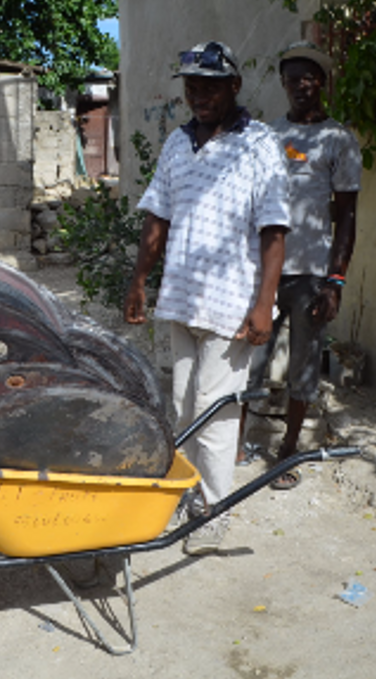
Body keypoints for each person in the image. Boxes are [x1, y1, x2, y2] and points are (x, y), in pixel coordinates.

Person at [124, 40, 291, 555]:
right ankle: (186, 493)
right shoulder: (178, 144)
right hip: (181, 300)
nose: (199, 94)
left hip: (232, 306)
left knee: (215, 412)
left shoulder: (260, 143)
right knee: (182, 407)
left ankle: (214, 511)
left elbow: (275, 230)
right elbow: (158, 218)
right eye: (192, 85)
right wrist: (138, 279)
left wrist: (265, 303)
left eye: (210, 85)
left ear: (233, 87)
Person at [251, 40, 362, 491]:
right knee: (249, 361)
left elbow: (348, 215)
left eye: (309, 76)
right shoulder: (267, 136)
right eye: (292, 77)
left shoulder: (339, 140)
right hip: (263, 273)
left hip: (312, 274)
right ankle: (234, 445)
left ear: (322, 82)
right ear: (283, 83)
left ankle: (288, 451)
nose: (301, 84)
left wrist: (335, 281)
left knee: (303, 366)